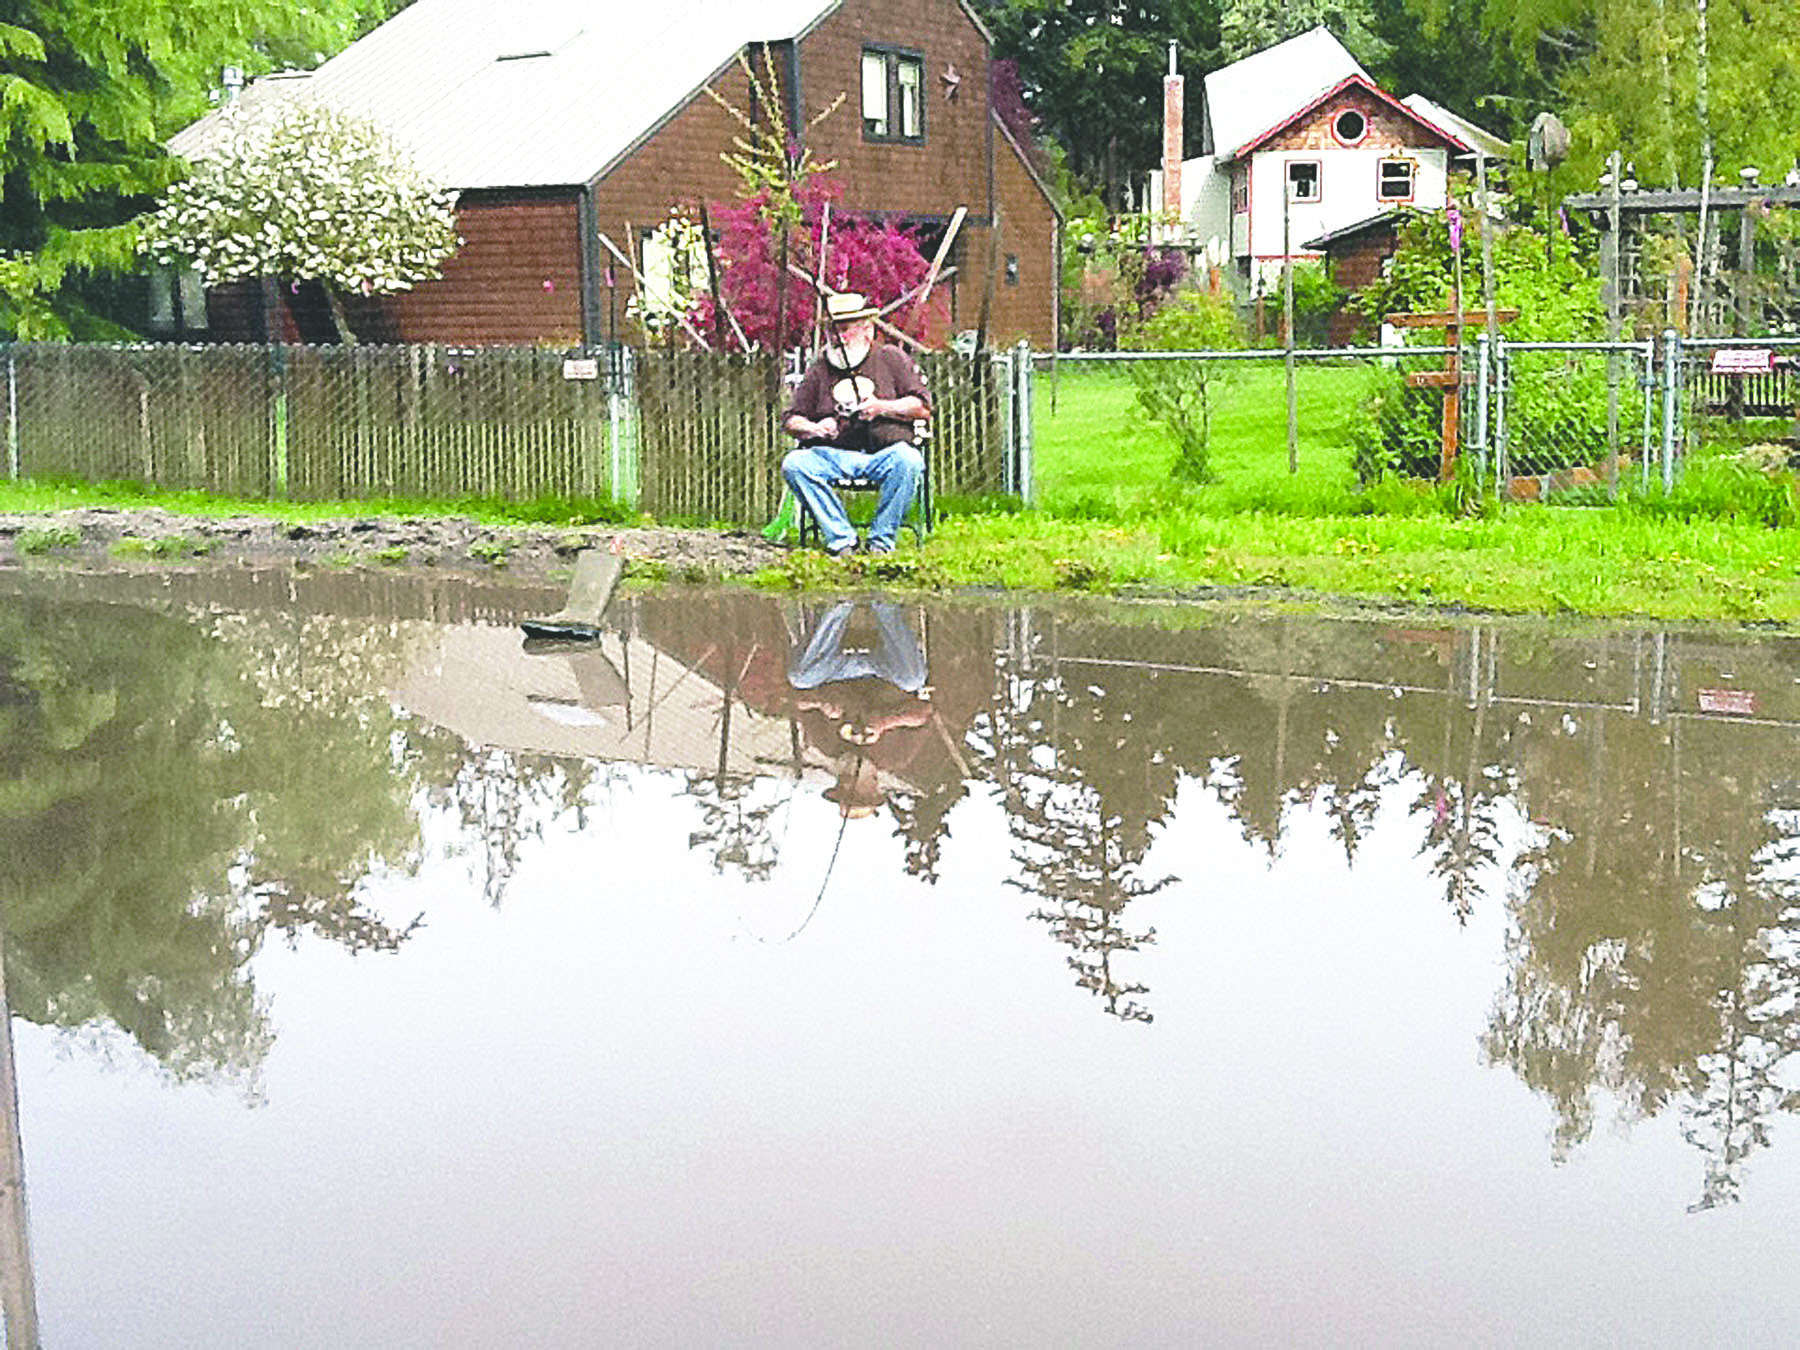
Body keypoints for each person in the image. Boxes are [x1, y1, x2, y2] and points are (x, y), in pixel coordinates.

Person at [781, 292, 930, 556]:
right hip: (834, 455)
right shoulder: (820, 370)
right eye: (834, 330)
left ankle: (881, 541)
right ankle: (841, 539)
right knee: (795, 464)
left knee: (910, 462)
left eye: (846, 329)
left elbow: (921, 407)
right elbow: (792, 419)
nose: (839, 338)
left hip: (886, 454)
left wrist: (882, 407)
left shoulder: (890, 358)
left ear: (867, 330)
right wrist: (815, 428)